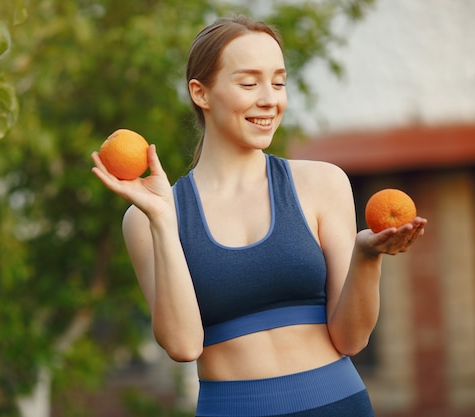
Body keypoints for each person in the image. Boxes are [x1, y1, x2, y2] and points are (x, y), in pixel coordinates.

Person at [92, 14, 427, 417]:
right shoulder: (148, 217)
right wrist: (163, 222)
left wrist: (366, 256)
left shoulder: (322, 183)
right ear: (201, 92)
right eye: (249, 83)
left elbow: (352, 339)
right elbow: (183, 346)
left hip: (337, 404)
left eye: (279, 82)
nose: (269, 98)